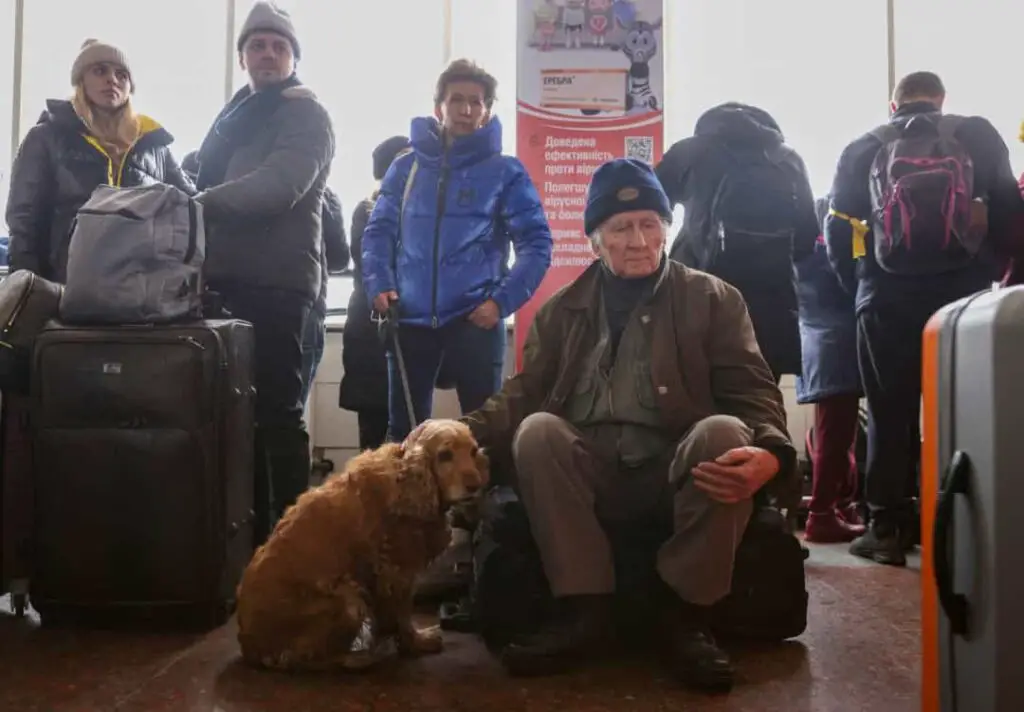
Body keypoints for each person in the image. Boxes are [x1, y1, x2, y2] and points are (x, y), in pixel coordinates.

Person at [413, 159, 795, 690]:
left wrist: (775, 454)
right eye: (620, 228)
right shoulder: (561, 309)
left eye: (649, 224)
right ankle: (584, 610)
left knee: (725, 433)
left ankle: (686, 617)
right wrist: (454, 433)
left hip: (673, 471)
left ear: (667, 228)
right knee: (539, 430)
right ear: (595, 241)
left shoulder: (713, 298)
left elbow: (753, 390)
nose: (638, 240)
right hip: (588, 476)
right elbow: (522, 394)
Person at [825, 71, 1024, 565]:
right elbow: (1010, 217)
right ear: (941, 100)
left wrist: (861, 286)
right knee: (960, 409)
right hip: (964, 301)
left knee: (889, 411)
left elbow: (834, 229)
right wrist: (988, 277)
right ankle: (958, 525)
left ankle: (888, 528)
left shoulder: (863, 146)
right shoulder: (976, 134)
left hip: (885, 297)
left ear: (893, 104)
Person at [192, 1, 335, 545]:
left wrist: (194, 203)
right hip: (224, 285)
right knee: (237, 420)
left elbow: (280, 185)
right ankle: (249, 547)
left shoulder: (307, 114)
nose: (268, 53)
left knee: (276, 417)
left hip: (280, 288)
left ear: (293, 56)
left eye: (279, 45)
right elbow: (200, 170)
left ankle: (296, 545)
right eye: (258, 44)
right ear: (243, 56)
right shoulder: (231, 119)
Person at [361, 58, 552, 441]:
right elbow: (378, 231)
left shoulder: (506, 172)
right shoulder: (406, 168)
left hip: (475, 323)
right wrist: (379, 283)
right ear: (439, 107)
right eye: (457, 100)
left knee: (484, 436)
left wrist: (499, 304)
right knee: (405, 435)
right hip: (409, 320)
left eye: (476, 102)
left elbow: (537, 244)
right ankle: (411, 504)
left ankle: (480, 503)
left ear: (486, 111)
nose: (466, 110)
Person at [655, 103, 819, 381]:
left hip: (697, 295)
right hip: (770, 306)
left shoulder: (689, 152)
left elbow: (648, 211)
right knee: (760, 403)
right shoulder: (788, 159)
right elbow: (806, 239)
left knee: (696, 402)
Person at [5, 39, 192, 281]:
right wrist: (28, 286)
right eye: (100, 70)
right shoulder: (46, 137)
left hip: (141, 288)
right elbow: (24, 221)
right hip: (65, 285)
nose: (112, 79)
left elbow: (191, 203)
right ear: (81, 80)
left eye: (122, 75)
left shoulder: (154, 146)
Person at [795, 196, 865, 543]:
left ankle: (836, 506)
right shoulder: (832, 252)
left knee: (833, 435)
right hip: (837, 344)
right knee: (836, 437)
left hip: (816, 343)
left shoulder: (800, 251)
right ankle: (822, 514)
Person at [339, 135, 411, 450]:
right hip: (372, 328)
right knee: (376, 422)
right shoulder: (370, 212)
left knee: (401, 421)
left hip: (386, 326)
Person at [300, 185, 349, 405]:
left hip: (232, 308)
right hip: (304, 308)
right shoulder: (323, 194)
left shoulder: (227, 180)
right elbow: (339, 258)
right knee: (288, 412)